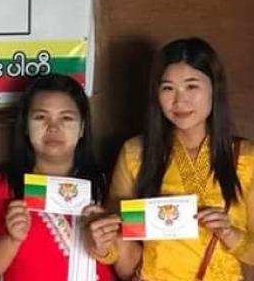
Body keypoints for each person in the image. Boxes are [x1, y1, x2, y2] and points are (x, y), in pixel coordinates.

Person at [90, 38, 254, 281]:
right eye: (168, 88)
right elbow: (117, 237)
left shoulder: (245, 159)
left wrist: (230, 233)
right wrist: (100, 238)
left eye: (191, 86)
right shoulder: (136, 153)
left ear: (214, 88)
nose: (179, 101)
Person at [0, 74, 114, 281]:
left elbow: (131, 265)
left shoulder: (106, 185)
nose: (53, 127)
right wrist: (11, 239)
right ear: (25, 126)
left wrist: (108, 238)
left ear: (82, 128)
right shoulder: (1, 186)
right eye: (41, 117)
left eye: (66, 118)